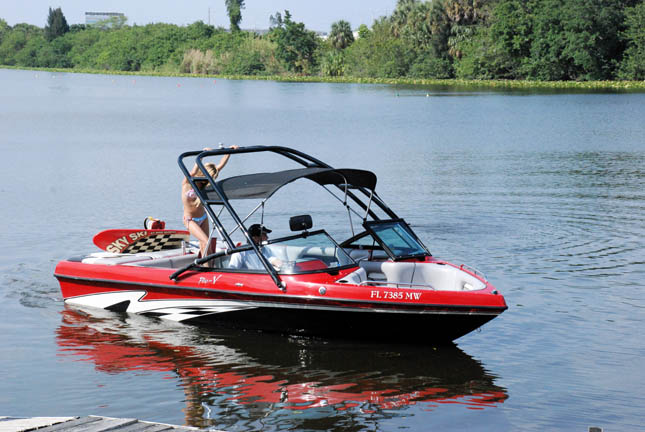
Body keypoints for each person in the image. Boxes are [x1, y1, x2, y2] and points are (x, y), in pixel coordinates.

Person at [182, 146, 238, 257]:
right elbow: (193, 171)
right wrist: (202, 154)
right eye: (211, 177)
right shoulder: (188, 182)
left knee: (206, 245)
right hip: (190, 220)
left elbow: (220, 166)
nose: (211, 180)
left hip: (203, 218)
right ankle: (206, 264)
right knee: (206, 242)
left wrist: (229, 152)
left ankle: (208, 265)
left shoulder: (205, 184)